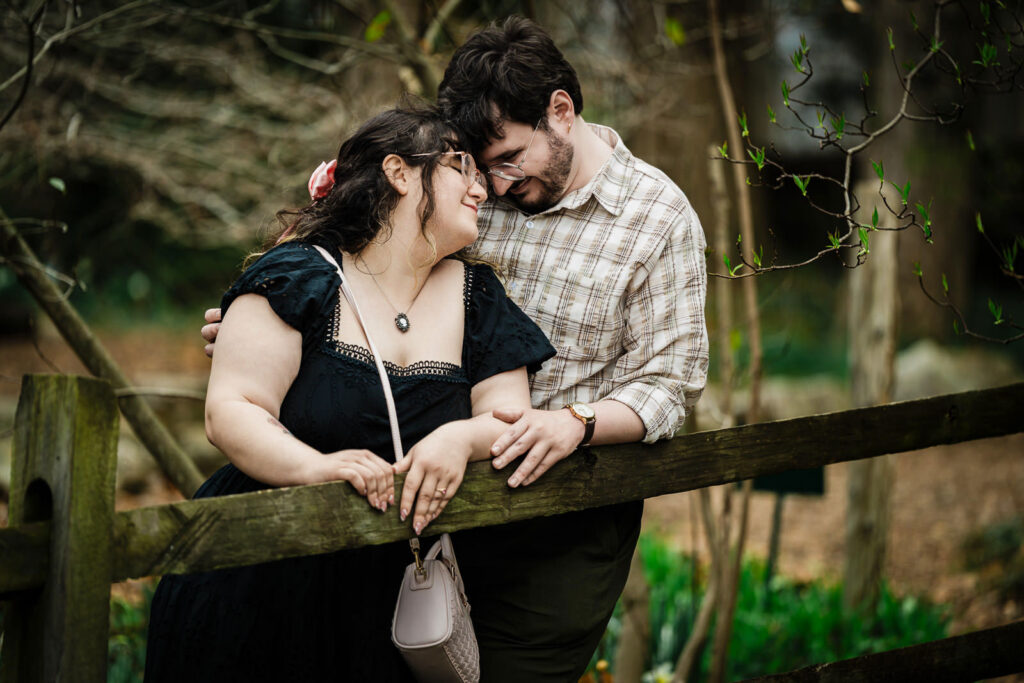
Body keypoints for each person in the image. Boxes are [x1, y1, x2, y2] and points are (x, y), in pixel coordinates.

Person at [202, 17, 709, 682]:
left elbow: (670, 384)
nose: (493, 187)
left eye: (506, 160)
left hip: (560, 518)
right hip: (434, 518)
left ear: (561, 111)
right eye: (477, 166)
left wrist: (572, 423)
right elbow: (372, 236)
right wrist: (267, 322)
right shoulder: (470, 187)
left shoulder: (658, 218)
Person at [146, 104, 555, 681]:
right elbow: (233, 409)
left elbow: (509, 418)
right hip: (259, 577)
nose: (480, 187)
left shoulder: (479, 297)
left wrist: (461, 438)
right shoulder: (300, 275)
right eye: (461, 164)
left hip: (388, 599)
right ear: (400, 173)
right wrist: (316, 469)